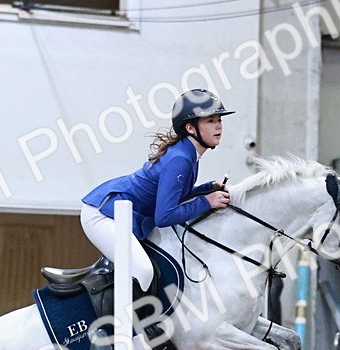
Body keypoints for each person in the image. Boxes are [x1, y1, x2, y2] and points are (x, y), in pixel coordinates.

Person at [80, 88, 233, 304]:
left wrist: (205, 188)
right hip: (102, 214)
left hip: (120, 211)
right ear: (190, 127)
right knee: (142, 271)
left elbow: (173, 195)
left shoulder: (188, 153)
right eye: (210, 121)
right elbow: (165, 216)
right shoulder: (180, 159)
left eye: (219, 120)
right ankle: (129, 327)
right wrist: (206, 202)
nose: (218, 126)